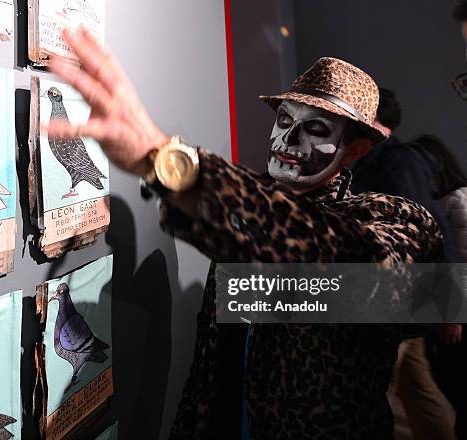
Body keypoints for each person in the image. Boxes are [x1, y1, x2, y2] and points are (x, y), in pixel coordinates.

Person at [46, 27, 443, 439]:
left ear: (356, 149)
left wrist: (167, 160)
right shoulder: (247, 214)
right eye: (284, 121)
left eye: (316, 130)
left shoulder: (396, 220)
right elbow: (212, 359)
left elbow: (332, 257)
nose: (288, 139)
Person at [351, 91, 457, 440]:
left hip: (396, 304)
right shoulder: (375, 161)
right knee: (418, 393)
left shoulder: (398, 162)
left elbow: (432, 230)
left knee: (372, 398)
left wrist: (450, 305)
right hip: (394, 305)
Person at [415, 134, 467, 440]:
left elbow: (458, 261)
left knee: (455, 385)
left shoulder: (453, 201)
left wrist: (453, 313)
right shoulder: (458, 197)